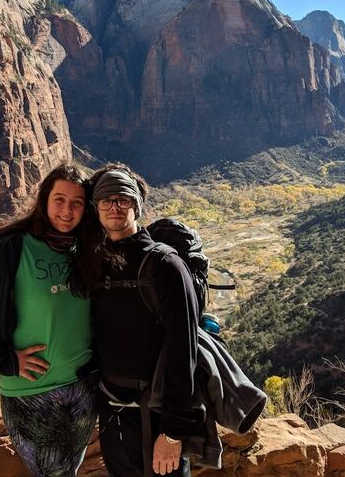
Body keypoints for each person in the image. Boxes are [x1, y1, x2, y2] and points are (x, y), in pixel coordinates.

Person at [0, 164, 95, 477]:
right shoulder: (14, 249)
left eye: (77, 203)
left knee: (69, 470)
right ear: (44, 200)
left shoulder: (86, 249)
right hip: (31, 393)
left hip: (83, 387)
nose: (66, 211)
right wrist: (4, 360)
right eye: (59, 200)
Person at [75, 163, 204, 477]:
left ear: (137, 204)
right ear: (96, 208)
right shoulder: (95, 264)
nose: (115, 207)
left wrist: (173, 433)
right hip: (112, 415)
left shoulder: (166, 265)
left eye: (123, 199)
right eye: (106, 200)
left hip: (158, 419)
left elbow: (183, 353)